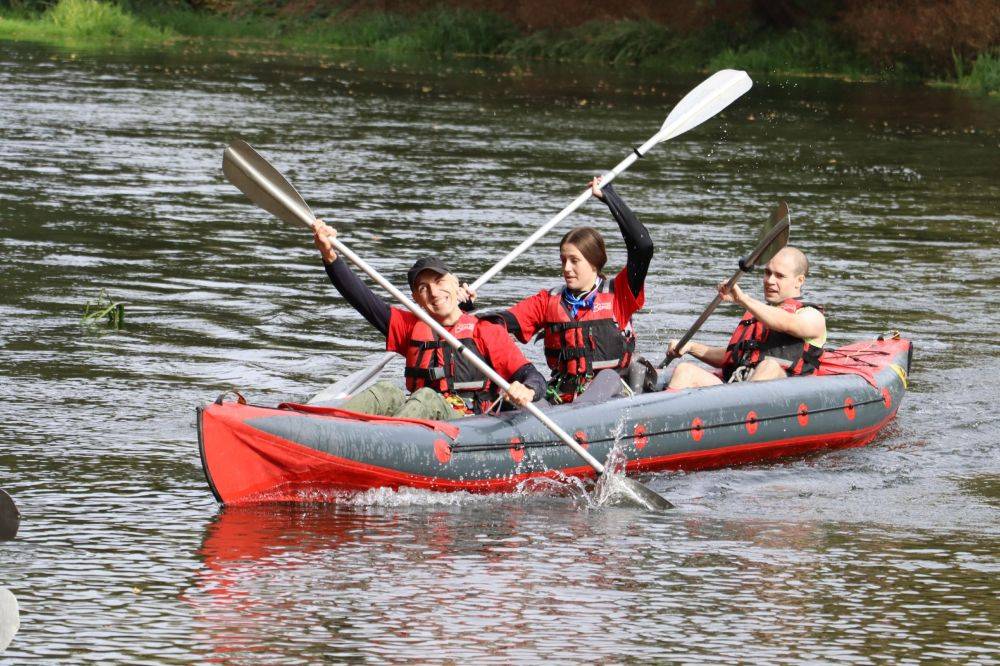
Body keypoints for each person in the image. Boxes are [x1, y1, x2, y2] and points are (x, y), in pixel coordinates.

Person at [313, 222, 547, 421]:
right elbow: (362, 299)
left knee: (426, 396)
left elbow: (534, 377)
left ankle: (382, 443)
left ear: (456, 284)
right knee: (387, 390)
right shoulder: (410, 327)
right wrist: (330, 256)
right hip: (421, 420)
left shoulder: (485, 331)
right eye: (423, 288)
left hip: (468, 422)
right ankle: (323, 428)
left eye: (439, 281)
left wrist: (526, 389)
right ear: (416, 300)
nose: (434, 292)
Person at [468, 177, 653, 403]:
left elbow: (643, 246)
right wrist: (465, 306)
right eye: (563, 260)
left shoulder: (620, 294)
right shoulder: (548, 301)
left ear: (594, 263)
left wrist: (609, 197)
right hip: (563, 398)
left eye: (574, 260)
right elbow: (495, 323)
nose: (566, 268)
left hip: (612, 395)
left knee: (606, 377)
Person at [666, 246, 826, 389]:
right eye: (767, 272)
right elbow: (734, 357)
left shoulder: (812, 316)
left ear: (799, 280)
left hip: (785, 392)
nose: (770, 281)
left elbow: (786, 323)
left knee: (769, 366)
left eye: (779, 276)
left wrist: (742, 299)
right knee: (685, 370)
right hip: (739, 387)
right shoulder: (760, 313)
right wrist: (691, 348)